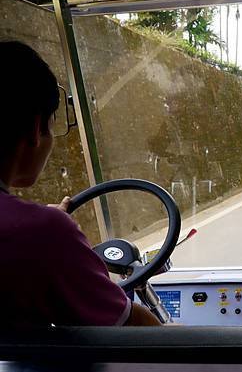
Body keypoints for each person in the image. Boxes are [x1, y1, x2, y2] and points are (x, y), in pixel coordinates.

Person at [0, 41, 161, 327]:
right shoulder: (43, 235)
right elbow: (139, 333)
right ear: (37, 128)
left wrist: (45, 227)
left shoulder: (38, 232)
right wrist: (49, 231)